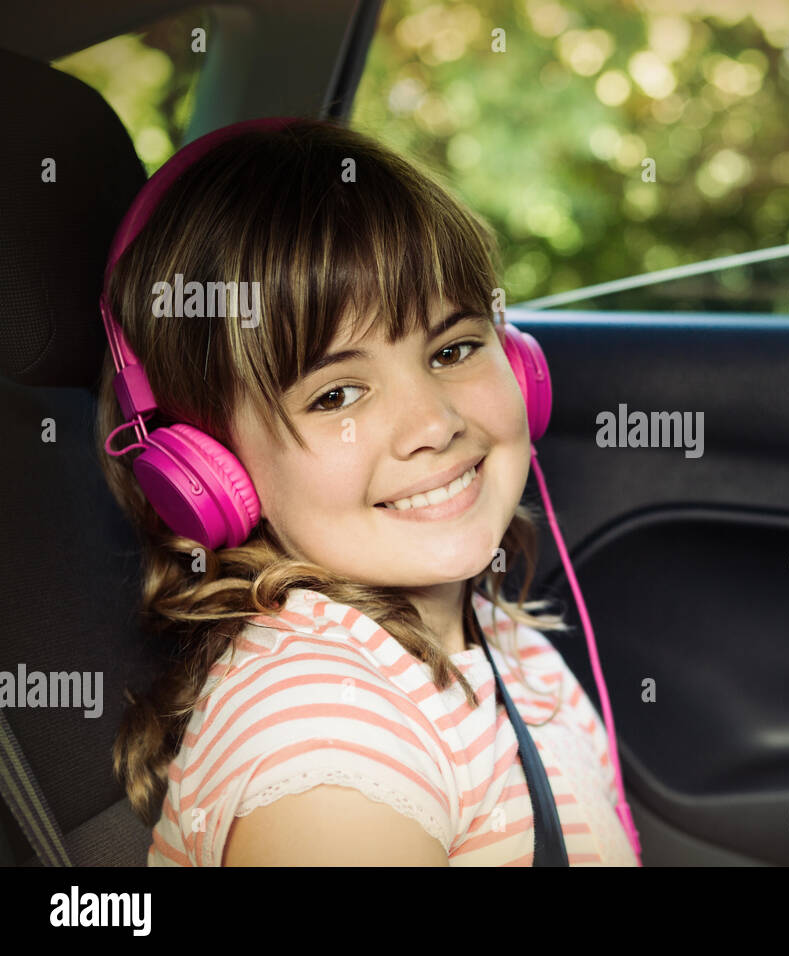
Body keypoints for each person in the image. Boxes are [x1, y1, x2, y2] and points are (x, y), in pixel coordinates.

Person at [95, 119, 637, 866]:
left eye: (453, 349)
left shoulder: (501, 641)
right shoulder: (327, 739)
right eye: (337, 395)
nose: (432, 425)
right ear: (208, 467)